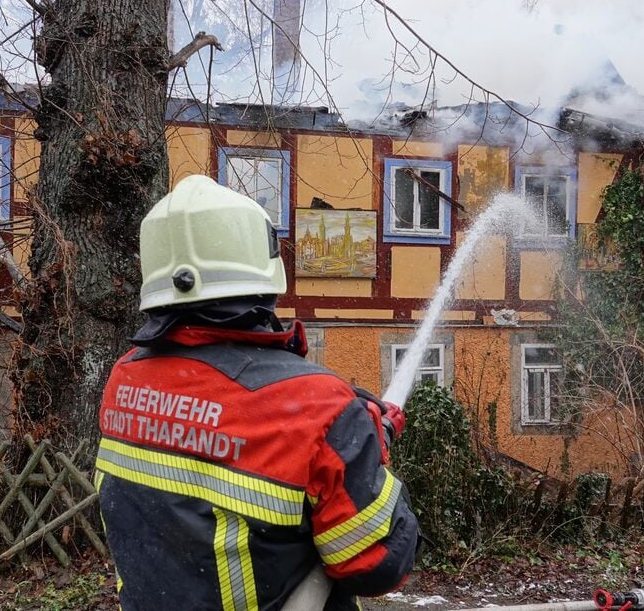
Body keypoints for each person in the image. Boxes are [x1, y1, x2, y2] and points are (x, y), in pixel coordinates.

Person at [94, 175, 419, 610]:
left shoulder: (126, 376)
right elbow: (376, 566)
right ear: (266, 276)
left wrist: (345, 438)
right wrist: (361, 449)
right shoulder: (319, 406)